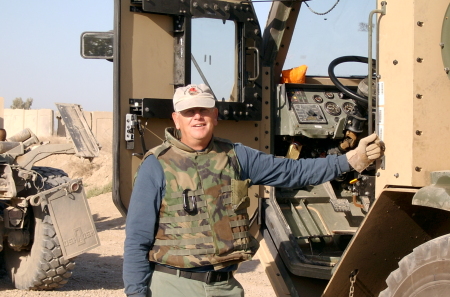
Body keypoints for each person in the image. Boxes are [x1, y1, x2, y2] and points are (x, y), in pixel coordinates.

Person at [123, 84, 384, 297]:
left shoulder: (237, 156)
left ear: (215, 115)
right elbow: (137, 240)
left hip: (225, 288)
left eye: (204, 109)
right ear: (176, 119)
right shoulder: (156, 165)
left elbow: (293, 172)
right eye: (189, 112)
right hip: (174, 287)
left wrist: (349, 161)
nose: (197, 117)